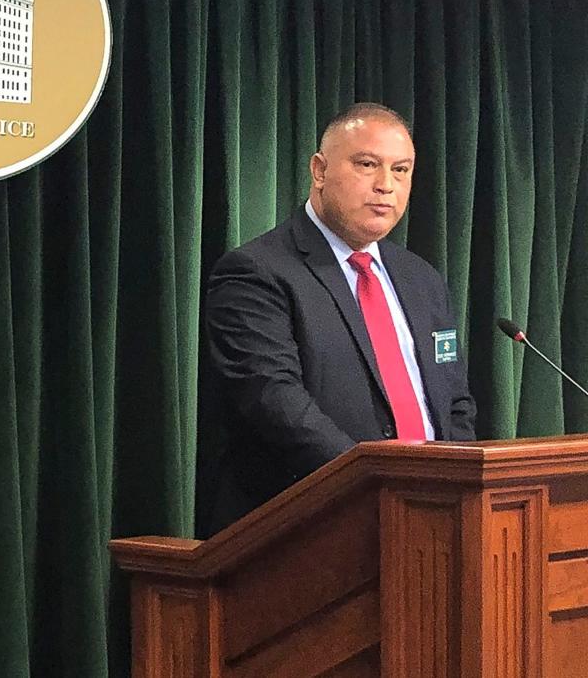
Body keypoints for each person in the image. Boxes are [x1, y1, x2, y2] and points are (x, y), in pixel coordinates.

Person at [202, 102, 476, 532]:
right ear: (319, 170)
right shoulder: (257, 272)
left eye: (401, 170)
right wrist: (373, 488)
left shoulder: (421, 279)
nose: (386, 185)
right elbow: (275, 403)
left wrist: (458, 492)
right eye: (367, 164)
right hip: (313, 526)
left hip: (431, 520)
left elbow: (453, 402)